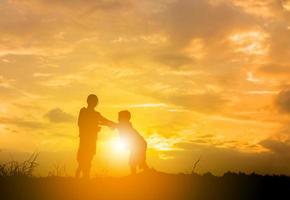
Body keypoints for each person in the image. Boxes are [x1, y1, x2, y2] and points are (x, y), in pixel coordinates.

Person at [76, 94, 114, 179]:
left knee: (85, 160)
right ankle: (84, 178)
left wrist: (113, 124)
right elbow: (81, 124)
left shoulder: (91, 113)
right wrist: (95, 128)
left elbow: (104, 121)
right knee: (85, 160)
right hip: (87, 140)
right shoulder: (86, 112)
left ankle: (81, 178)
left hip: (89, 139)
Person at [115, 110, 148, 174]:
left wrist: (103, 122)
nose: (118, 119)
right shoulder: (124, 125)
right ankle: (142, 172)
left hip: (139, 145)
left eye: (119, 117)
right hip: (139, 145)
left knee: (133, 161)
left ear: (124, 119)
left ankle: (135, 176)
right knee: (136, 161)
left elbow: (113, 125)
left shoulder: (124, 126)